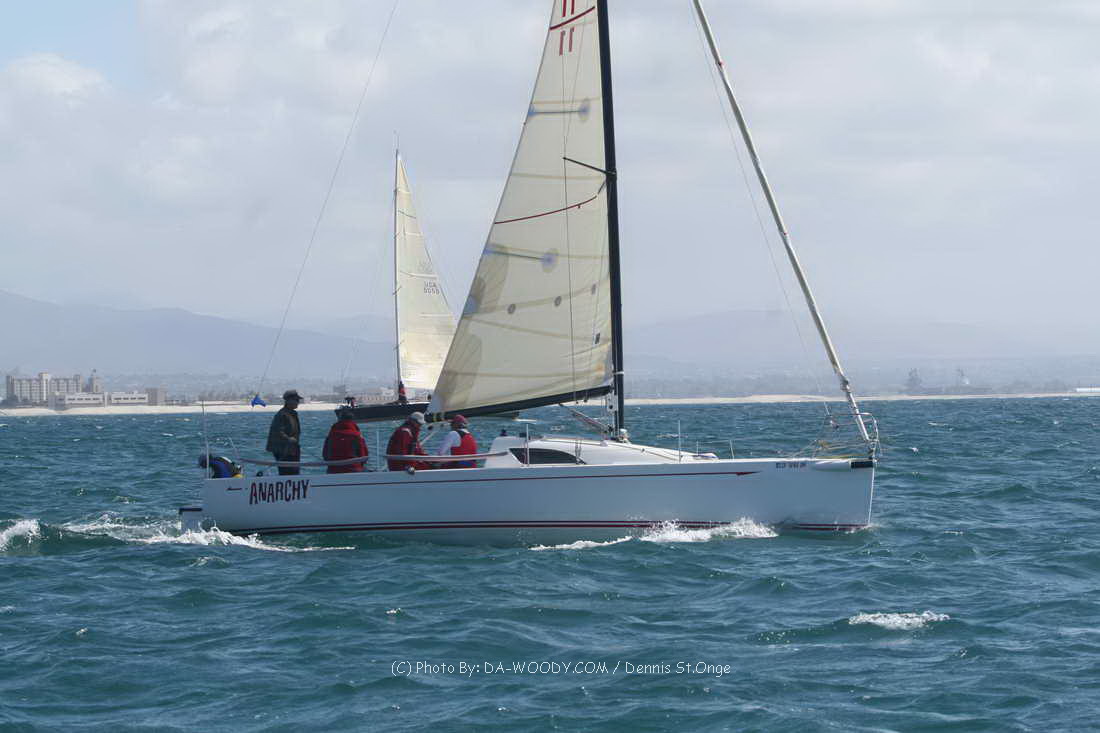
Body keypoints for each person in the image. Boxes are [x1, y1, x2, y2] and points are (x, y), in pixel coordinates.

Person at [266, 389, 302, 475]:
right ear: (289, 401)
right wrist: (289, 439)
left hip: (292, 449)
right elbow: (277, 431)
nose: (298, 402)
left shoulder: (294, 413)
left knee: (294, 473)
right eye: (296, 400)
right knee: (287, 472)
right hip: (283, 450)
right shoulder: (282, 414)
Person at [322, 408, 369, 474]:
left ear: (339, 420)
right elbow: (363, 456)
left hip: (333, 470)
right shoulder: (357, 436)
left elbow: (325, 456)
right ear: (352, 420)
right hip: (354, 469)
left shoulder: (331, 436)